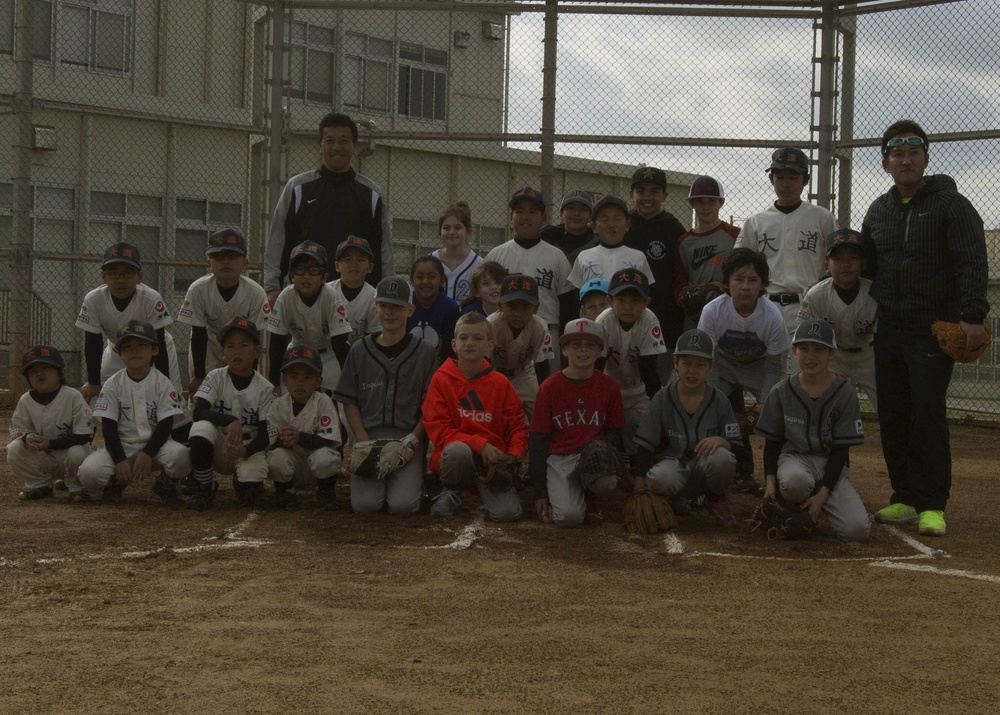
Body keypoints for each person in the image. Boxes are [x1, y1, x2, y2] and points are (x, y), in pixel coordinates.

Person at [862, 119, 989, 537]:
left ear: (926, 159)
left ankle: (933, 503)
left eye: (913, 152)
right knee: (894, 413)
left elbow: (972, 260)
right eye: (897, 154)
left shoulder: (952, 204)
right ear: (886, 163)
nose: (906, 159)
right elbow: (865, 267)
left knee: (928, 414)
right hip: (891, 329)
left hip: (933, 329)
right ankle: (904, 496)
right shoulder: (878, 211)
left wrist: (972, 314)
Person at [755, 319, 871, 542]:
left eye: (819, 349)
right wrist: (770, 485)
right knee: (794, 483)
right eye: (804, 348)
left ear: (832, 354)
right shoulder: (780, 391)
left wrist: (823, 494)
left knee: (857, 531)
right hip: (795, 460)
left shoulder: (845, 393)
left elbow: (840, 451)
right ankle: (793, 504)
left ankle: (818, 502)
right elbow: (772, 443)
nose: (810, 356)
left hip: (831, 464)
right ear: (794, 351)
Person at [263, 112, 392, 305]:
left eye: (344, 141)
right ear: (320, 146)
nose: (337, 147)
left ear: (354, 145)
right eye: (329, 141)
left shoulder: (372, 193)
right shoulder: (297, 187)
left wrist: (387, 290)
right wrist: (272, 286)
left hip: (357, 299)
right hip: (305, 294)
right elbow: (278, 239)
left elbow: (383, 249)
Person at [334, 277, 437, 515]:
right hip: (369, 435)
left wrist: (413, 440)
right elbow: (348, 399)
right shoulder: (359, 349)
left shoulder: (425, 352)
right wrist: (362, 440)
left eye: (397, 306)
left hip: (407, 438)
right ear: (375, 308)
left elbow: (430, 405)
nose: (389, 312)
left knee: (403, 506)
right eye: (384, 305)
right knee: (365, 506)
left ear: (410, 310)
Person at [698, 248, 791, 497]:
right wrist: (717, 399)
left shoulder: (772, 315)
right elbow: (709, 359)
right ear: (727, 282)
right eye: (738, 279)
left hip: (760, 369)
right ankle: (730, 472)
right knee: (714, 410)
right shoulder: (713, 311)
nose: (746, 286)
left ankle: (780, 476)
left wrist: (763, 405)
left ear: (762, 285)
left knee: (775, 416)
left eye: (753, 280)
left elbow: (775, 366)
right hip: (724, 366)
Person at [423, 312, 528, 521]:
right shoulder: (441, 380)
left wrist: (514, 456)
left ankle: (483, 488)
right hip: (456, 457)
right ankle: (449, 489)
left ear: (489, 346)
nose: (469, 343)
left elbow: (518, 425)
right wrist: (479, 443)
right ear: (454, 344)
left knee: (508, 514)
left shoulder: (499, 383)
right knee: (458, 450)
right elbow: (439, 430)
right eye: (463, 338)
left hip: (490, 462)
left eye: (478, 338)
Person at [632, 330, 740, 527]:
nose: (692, 370)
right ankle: (674, 499)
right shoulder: (662, 398)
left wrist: (721, 440)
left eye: (700, 364)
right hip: (673, 467)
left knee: (723, 458)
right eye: (686, 363)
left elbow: (736, 443)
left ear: (711, 366)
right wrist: (639, 484)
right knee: (657, 479)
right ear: (675, 363)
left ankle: (715, 498)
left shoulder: (720, 401)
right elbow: (646, 444)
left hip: (704, 472)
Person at [77, 321, 191, 505]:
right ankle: (115, 482)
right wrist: (120, 459)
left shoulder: (163, 383)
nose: (134, 351)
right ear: (119, 354)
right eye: (127, 347)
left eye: (141, 345)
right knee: (89, 474)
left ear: (155, 350)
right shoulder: (113, 384)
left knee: (181, 456)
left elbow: (165, 425)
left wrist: (147, 454)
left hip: (157, 447)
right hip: (122, 446)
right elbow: (108, 427)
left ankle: (165, 484)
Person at [529, 318, 626, 527]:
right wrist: (540, 493)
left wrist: (598, 448)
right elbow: (539, 440)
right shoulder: (549, 387)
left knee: (607, 480)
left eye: (590, 344)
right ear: (564, 350)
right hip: (560, 460)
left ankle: (591, 500)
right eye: (575, 345)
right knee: (568, 519)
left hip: (591, 458)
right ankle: (570, 495)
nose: (583, 350)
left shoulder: (609, 387)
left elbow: (616, 431)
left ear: (600, 350)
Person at [734, 148, 837, 343]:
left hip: (809, 304)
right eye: (780, 177)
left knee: (805, 370)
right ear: (771, 179)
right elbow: (737, 265)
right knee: (769, 372)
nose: (785, 183)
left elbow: (838, 257)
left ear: (804, 180)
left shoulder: (822, 217)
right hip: (766, 305)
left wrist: (825, 280)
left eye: (792, 177)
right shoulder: (756, 222)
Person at [75, 242, 183, 406]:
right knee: (98, 399)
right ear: (103, 276)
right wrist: (94, 382)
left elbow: (158, 341)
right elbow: (93, 342)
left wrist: (163, 383)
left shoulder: (151, 298)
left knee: (170, 400)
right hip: (117, 350)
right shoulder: (94, 299)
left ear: (139, 276)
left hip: (154, 349)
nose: (121, 280)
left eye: (127, 274)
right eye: (114, 274)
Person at [187, 317, 276, 510]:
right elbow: (199, 411)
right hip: (220, 445)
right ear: (223, 353)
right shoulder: (215, 377)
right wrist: (230, 420)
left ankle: (244, 483)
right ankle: (204, 486)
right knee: (200, 428)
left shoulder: (266, 388)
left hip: (249, 445)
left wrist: (246, 451)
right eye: (230, 346)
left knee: (251, 480)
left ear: (257, 352)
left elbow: (265, 434)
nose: (236, 351)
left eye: (244, 345)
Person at [484, 187, 574, 369]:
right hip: (502, 333)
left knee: (545, 389)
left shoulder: (557, 256)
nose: (525, 217)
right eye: (519, 211)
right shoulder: (496, 255)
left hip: (547, 332)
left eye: (533, 212)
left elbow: (568, 304)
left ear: (544, 218)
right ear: (511, 217)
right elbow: (483, 298)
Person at [177, 228, 268, 397]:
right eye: (218, 256)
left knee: (241, 394)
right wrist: (198, 376)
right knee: (204, 397)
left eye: (233, 256)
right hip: (208, 344)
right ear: (209, 263)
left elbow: (255, 338)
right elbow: (198, 333)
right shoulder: (198, 289)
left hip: (240, 347)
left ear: (245, 263)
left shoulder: (256, 293)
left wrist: (251, 376)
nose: (226, 262)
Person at [797, 228, 878, 412]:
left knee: (887, 407)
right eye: (838, 259)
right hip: (834, 356)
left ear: (863, 264)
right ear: (827, 266)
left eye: (853, 258)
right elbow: (806, 334)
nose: (846, 264)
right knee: (823, 405)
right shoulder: (816, 295)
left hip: (868, 356)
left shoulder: (875, 293)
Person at [623, 167, 687, 383]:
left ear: (664, 195)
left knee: (657, 380)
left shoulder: (673, 228)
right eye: (641, 191)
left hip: (663, 317)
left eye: (654, 191)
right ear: (631, 194)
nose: (647, 197)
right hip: (624, 313)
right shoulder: (623, 224)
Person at [7, 346, 93, 502]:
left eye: (45, 368)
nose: (39, 374)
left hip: (70, 456)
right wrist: (26, 437)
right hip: (42, 458)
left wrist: (50, 443)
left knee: (77, 452)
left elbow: (84, 435)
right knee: (14, 448)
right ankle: (40, 486)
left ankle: (77, 488)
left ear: (62, 373)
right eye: (33, 371)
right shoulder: (26, 400)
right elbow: (15, 427)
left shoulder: (73, 396)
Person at [595, 268, 666, 455]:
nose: (628, 306)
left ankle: (642, 464)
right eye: (621, 299)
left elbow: (649, 370)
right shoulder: (603, 321)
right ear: (609, 301)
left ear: (646, 302)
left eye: (635, 300)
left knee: (647, 430)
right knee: (603, 430)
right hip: (608, 388)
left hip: (638, 392)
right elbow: (597, 367)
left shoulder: (649, 320)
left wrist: (657, 407)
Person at [266, 241, 352, 392]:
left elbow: (340, 343)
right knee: (287, 399)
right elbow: (276, 343)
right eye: (300, 269)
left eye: (313, 270)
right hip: (296, 354)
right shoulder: (285, 297)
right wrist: (274, 383)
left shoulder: (330, 296)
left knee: (337, 401)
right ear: (292, 275)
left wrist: (349, 383)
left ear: (324, 276)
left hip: (328, 356)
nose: (306, 276)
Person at [265, 345, 342, 509]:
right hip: (292, 467)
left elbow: (330, 440)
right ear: (284, 380)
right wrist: (284, 439)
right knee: (276, 456)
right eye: (293, 377)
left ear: (318, 381)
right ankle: (285, 492)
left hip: (318, 467)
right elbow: (272, 442)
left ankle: (326, 492)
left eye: (307, 377)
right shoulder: (278, 405)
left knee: (326, 457)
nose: (300, 383)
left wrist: (300, 437)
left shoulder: (323, 401)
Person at [674, 176, 739, 328]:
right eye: (700, 201)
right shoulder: (684, 242)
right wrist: (688, 300)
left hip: (730, 308)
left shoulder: (735, 235)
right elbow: (679, 282)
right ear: (692, 203)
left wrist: (723, 288)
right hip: (696, 314)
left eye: (711, 201)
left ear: (721, 202)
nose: (705, 207)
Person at [487, 274, 554, 420]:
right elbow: (483, 361)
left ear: (536, 308)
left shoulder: (539, 327)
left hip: (523, 374)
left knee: (541, 410)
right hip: (492, 373)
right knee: (488, 411)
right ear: (500, 305)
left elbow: (542, 366)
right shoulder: (491, 324)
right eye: (511, 306)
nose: (518, 313)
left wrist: (545, 397)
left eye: (526, 307)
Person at [569, 195, 654, 289]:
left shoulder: (638, 257)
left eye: (617, 219)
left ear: (627, 225)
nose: (612, 225)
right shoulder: (584, 256)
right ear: (594, 227)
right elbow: (576, 292)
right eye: (604, 220)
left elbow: (646, 291)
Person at [328, 235, 380, 345]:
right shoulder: (326, 291)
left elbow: (375, 338)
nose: (354, 264)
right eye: (347, 259)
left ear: (370, 267)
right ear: (337, 266)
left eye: (361, 259)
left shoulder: (375, 297)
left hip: (361, 354)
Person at [408, 255, 461, 363]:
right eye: (419, 277)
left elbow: (448, 350)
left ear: (441, 280)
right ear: (412, 280)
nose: (425, 281)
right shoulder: (405, 304)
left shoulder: (450, 307)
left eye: (432, 277)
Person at [432, 201, 483, 303]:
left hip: (467, 317)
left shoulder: (479, 264)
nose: (451, 232)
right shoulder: (430, 260)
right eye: (446, 228)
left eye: (457, 227)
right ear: (440, 231)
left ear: (468, 231)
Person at [540, 189, 596, 261]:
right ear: (561, 214)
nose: (576, 213)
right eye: (571, 208)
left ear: (590, 217)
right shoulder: (547, 238)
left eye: (583, 209)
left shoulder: (597, 243)